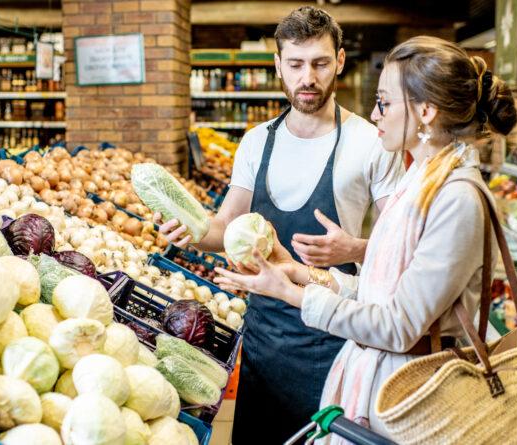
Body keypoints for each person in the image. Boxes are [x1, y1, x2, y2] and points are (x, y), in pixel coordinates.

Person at [214, 35, 517, 441]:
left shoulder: (457, 199)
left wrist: (291, 294)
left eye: (385, 102)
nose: (375, 115)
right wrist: (298, 273)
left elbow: (396, 326)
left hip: (410, 398)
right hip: (380, 384)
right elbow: (379, 291)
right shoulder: (421, 183)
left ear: (425, 111)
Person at [156, 6, 402, 444]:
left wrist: (356, 249)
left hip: (337, 338)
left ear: (340, 62)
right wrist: (191, 230)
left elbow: (398, 245)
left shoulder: (370, 142)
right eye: (296, 64)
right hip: (264, 342)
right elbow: (224, 228)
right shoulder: (256, 142)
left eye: (320, 63)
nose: (308, 77)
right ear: (278, 66)